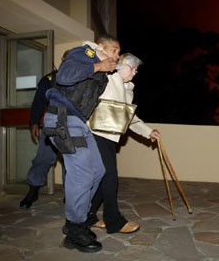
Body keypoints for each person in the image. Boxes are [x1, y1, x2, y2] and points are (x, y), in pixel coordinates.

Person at [43, 34, 119, 253]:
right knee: (82, 174)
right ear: (101, 48)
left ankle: (79, 220)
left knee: (98, 171)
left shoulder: (102, 73)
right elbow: (65, 76)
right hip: (63, 118)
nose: (117, 56)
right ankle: (75, 230)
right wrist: (97, 65)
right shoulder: (84, 53)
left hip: (78, 123)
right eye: (114, 51)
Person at [87, 53, 161, 234]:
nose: (135, 72)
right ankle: (114, 221)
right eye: (132, 68)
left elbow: (127, 115)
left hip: (109, 136)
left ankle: (87, 215)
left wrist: (148, 131)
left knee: (103, 176)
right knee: (110, 176)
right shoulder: (108, 78)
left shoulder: (127, 88)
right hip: (95, 133)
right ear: (120, 65)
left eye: (136, 69)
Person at [20, 50, 69, 210]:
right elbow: (38, 102)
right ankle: (32, 191)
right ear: (62, 58)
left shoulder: (82, 78)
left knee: (71, 161)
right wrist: (34, 122)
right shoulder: (49, 79)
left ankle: (71, 194)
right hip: (52, 123)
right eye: (68, 57)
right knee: (43, 158)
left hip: (72, 124)